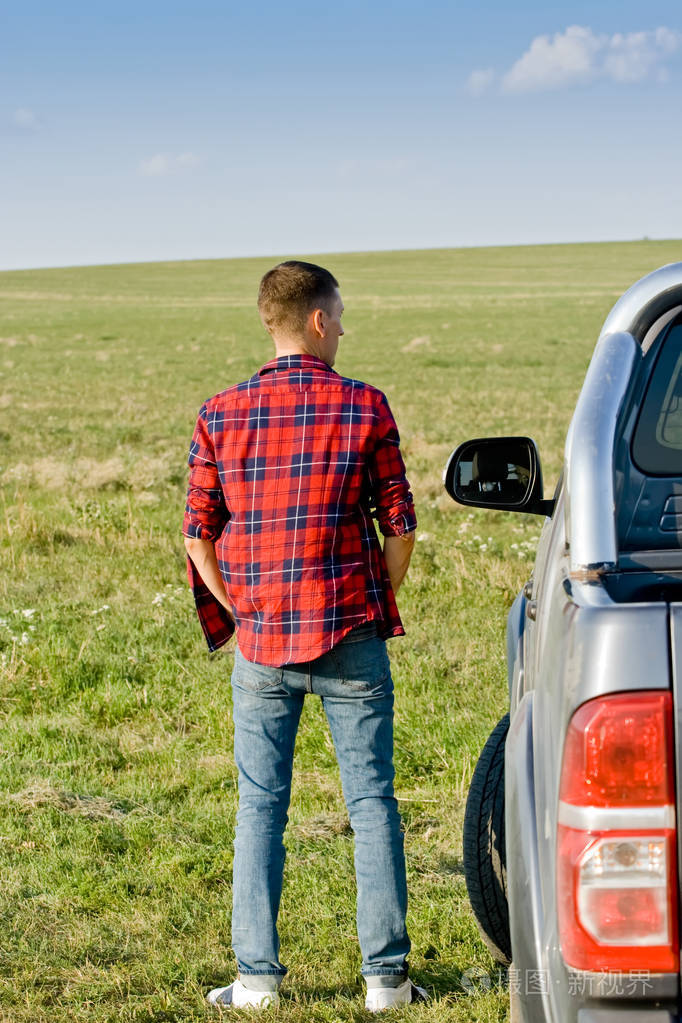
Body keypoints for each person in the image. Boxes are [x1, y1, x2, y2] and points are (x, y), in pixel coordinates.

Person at [182, 261, 425, 1012]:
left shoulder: (219, 412)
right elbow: (403, 526)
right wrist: (376, 592)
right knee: (373, 802)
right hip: (351, 630)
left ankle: (256, 980)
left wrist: (243, 607)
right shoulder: (364, 405)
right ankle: (385, 982)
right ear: (318, 320)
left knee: (260, 806)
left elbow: (197, 536)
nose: (345, 326)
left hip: (261, 642)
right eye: (341, 314)